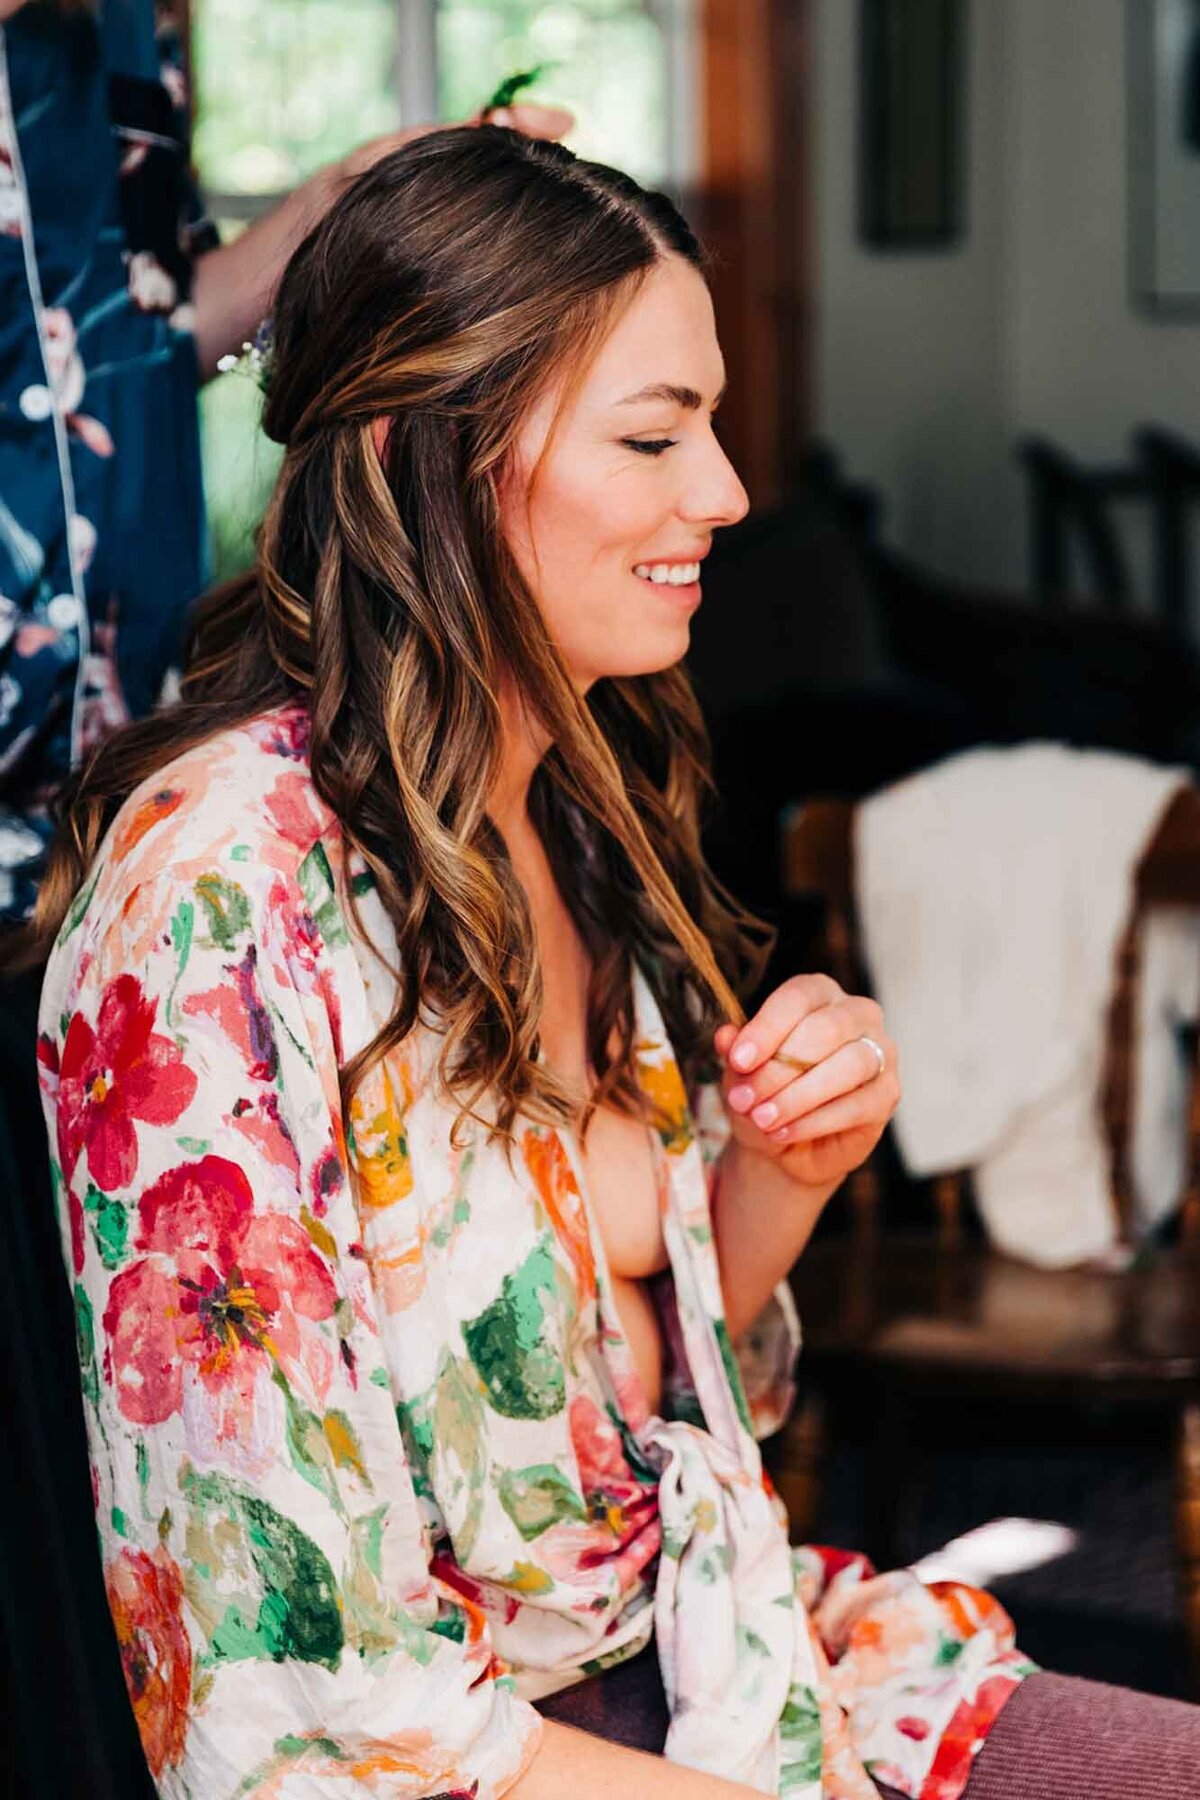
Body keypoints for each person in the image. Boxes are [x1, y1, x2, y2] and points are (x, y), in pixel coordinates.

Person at [19, 126, 1190, 1800]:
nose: (723, 491)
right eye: (657, 433)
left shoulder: (573, 784)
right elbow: (288, 1713)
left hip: (747, 1664)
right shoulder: (212, 904)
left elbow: (648, 1375)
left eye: (707, 423)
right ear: (445, 451)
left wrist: (787, 1171)